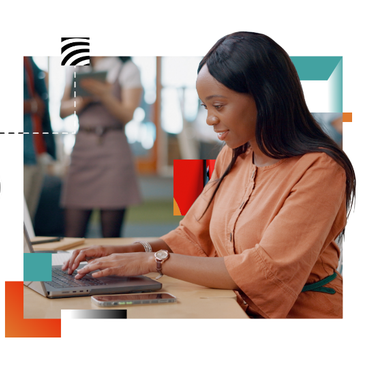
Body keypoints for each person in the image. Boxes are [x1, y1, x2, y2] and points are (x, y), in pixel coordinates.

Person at [63, 32, 356, 318]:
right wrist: (124, 252)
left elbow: (266, 270)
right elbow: (191, 236)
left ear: (265, 96)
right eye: (206, 107)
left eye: (218, 105)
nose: (209, 119)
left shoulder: (321, 169)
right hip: (230, 304)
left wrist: (153, 261)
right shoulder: (233, 154)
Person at [59, 56, 143, 238]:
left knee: (111, 235)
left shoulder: (127, 68)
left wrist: (105, 95)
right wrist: (84, 100)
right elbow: (62, 111)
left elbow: (128, 115)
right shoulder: (76, 68)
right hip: (82, 149)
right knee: (72, 233)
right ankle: (66, 268)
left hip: (114, 151)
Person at [24, 56, 57, 220]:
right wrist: (33, 105)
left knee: (28, 222)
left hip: (37, 150)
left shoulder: (30, 61)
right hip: (23, 152)